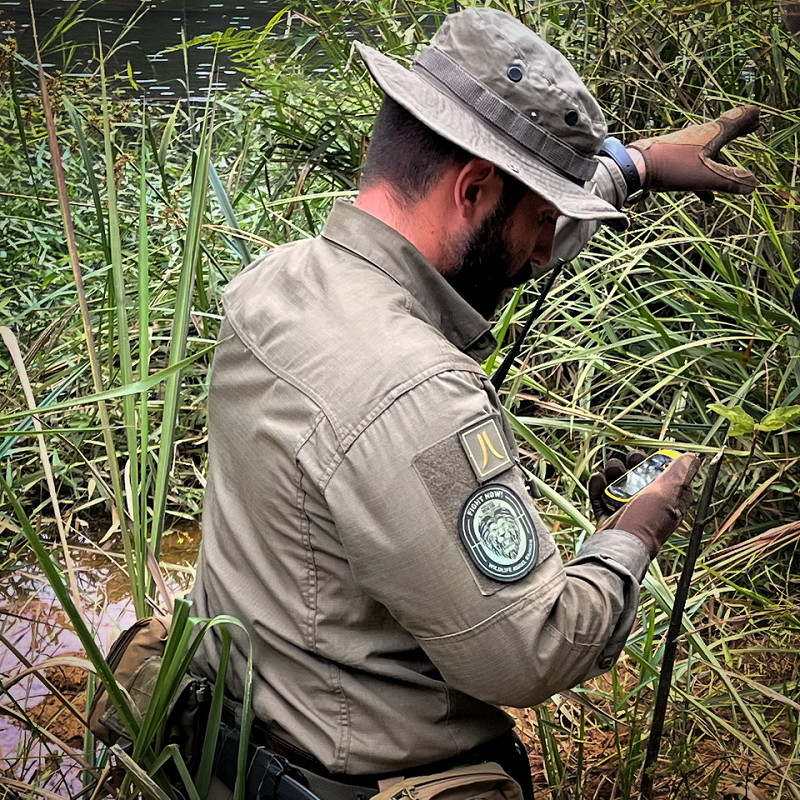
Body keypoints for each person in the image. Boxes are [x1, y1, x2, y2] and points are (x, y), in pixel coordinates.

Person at [189, 7, 759, 799]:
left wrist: (635, 165)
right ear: (473, 188)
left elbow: (498, 231)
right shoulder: (417, 393)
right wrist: (637, 530)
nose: (539, 251)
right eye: (541, 223)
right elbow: (531, 650)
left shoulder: (276, 283)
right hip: (359, 777)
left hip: (235, 742)